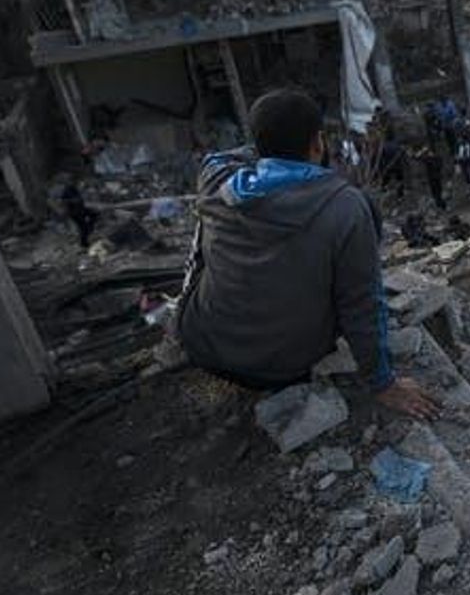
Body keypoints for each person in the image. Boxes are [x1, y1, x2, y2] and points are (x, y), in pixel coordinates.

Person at [177, 89, 441, 419]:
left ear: (258, 146)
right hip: (281, 369)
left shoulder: (215, 177)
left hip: (203, 345)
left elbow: (221, 157)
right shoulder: (346, 207)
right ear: (318, 143)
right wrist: (383, 383)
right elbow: (361, 305)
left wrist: (268, 144)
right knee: (345, 281)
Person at [58, 179, 98, 249]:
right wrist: (72, 201)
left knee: (94, 214)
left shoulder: (74, 188)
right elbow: (62, 201)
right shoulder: (65, 191)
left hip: (81, 209)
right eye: (70, 181)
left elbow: (80, 197)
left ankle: (89, 229)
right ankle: (84, 244)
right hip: (74, 213)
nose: (72, 182)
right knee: (83, 228)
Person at [414, 140, 446, 208]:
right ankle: (441, 205)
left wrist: (422, 152)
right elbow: (417, 157)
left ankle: (441, 205)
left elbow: (417, 157)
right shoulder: (431, 158)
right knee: (437, 192)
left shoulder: (430, 159)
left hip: (434, 177)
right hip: (435, 177)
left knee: (437, 192)